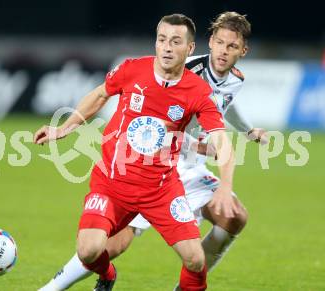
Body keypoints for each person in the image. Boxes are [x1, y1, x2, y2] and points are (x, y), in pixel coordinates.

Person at [39, 12, 268, 291]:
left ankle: (185, 285)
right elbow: (153, 127)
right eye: (220, 42)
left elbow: (226, 106)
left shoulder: (234, 78)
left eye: (232, 46)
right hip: (153, 163)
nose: (223, 50)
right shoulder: (187, 71)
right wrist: (197, 145)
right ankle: (60, 284)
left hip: (185, 169)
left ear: (243, 50)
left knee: (233, 218)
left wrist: (248, 131)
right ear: (209, 43)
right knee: (112, 245)